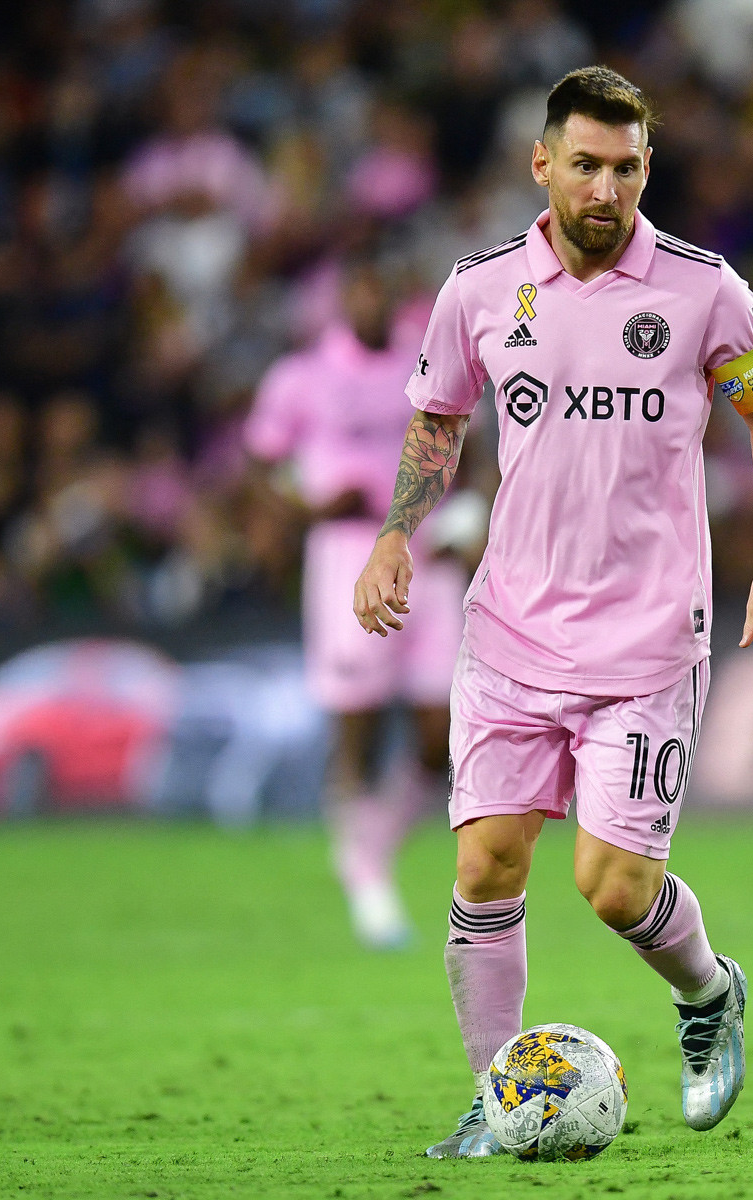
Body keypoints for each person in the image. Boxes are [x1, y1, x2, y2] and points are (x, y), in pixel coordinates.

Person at [351, 66, 753, 1156]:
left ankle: (708, 993)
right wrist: (395, 533)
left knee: (613, 888)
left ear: (648, 169)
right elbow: (437, 419)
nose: (607, 190)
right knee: (485, 865)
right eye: (587, 165)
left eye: (628, 168)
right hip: (510, 632)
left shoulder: (703, 289)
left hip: (647, 641)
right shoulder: (478, 290)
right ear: (542, 163)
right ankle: (495, 1096)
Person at [245, 260, 469, 950]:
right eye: (359, 290)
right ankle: (366, 877)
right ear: (341, 300)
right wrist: (308, 505)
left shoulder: (423, 365)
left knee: (442, 732)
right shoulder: (303, 376)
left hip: (425, 552)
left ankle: (372, 849)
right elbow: (261, 464)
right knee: (360, 724)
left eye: (380, 289)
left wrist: (470, 519)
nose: (370, 301)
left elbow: (469, 442)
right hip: (347, 553)